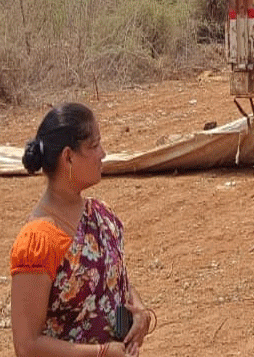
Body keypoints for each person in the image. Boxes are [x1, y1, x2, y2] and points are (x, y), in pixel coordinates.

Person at [10, 103, 153, 357]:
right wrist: (101, 352)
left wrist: (138, 315)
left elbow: (112, 286)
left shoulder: (100, 215)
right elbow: (27, 345)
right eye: (94, 145)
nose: (103, 154)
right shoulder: (39, 241)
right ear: (68, 157)